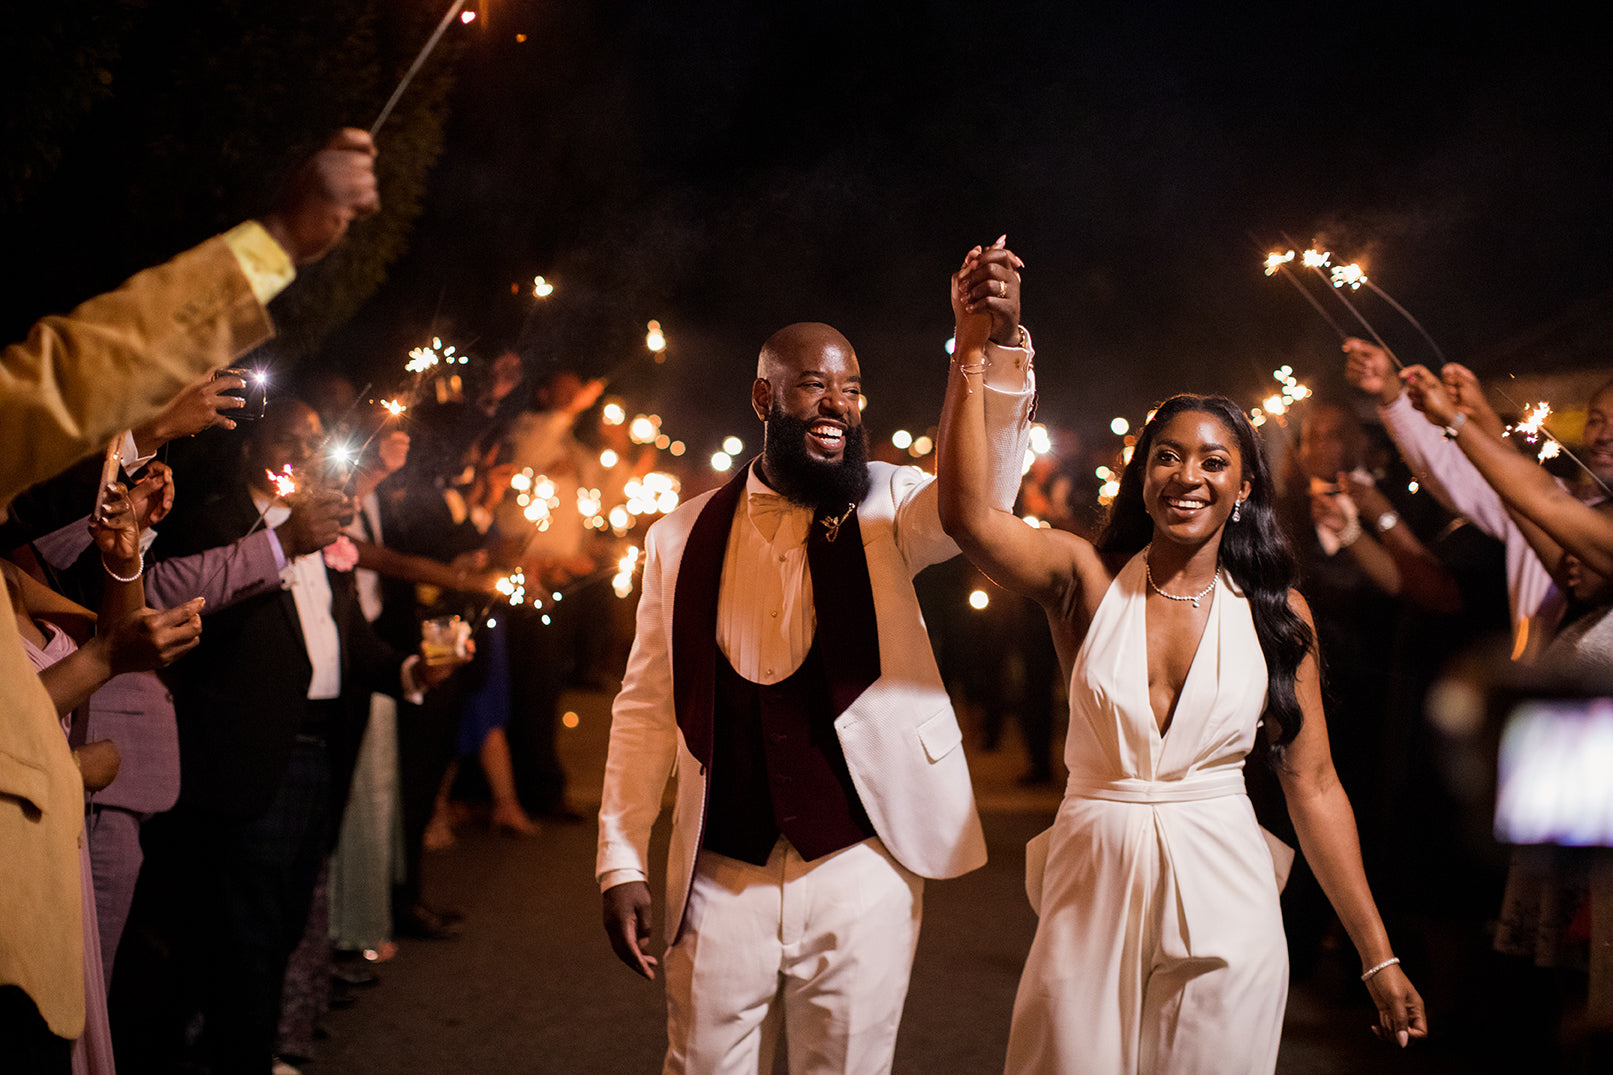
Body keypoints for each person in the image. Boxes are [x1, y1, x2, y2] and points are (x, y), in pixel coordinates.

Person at [936, 240, 1425, 1072]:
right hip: (1092, 881)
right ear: (1141, 477)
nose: (1185, 476)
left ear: (1241, 490)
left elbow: (1312, 786)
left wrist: (1376, 954)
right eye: (1166, 455)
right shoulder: (1082, 581)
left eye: (1212, 461)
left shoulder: (1278, 613)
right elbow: (966, 519)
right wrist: (976, 345)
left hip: (1224, 892)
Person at [0, 128, 378, 1063]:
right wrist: (276, 241)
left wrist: (128, 519)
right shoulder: (194, 496)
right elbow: (62, 385)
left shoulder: (141, 479)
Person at [596, 289, 1035, 1071]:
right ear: (764, 395)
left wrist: (991, 353)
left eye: (852, 388)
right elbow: (645, 707)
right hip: (720, 869)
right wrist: (620, 857)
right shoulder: (676, 535)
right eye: (814, 384)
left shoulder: (890, 502)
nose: (839, 403)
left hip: (863, 862)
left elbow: (980, 499)